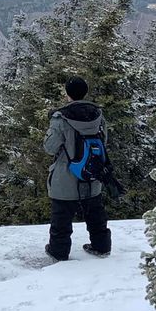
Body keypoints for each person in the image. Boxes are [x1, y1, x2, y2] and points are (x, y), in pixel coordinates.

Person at [43, 76, 112, 261]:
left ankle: (58, 250)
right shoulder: (98, 115)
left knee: (61, 217)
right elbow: (103, 142)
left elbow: (50, 147)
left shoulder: (61, 117)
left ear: (67, 94)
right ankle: (102, 245)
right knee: (95, 212)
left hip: (65, 176)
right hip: (92, 172)